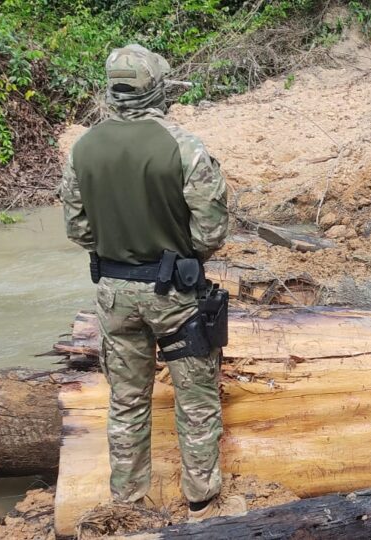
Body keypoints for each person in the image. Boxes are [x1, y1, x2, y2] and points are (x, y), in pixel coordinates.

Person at [60, 44, 243, 520]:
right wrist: (180, 254)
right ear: (158, 87)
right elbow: (212, 232)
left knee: (125, 401)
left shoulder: (82, 148)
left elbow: (78, 230)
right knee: (196, 399)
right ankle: (200, 501)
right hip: (176, 294)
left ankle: (127, 502)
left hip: (114, 294)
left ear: (113, 91)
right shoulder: (184, 146)